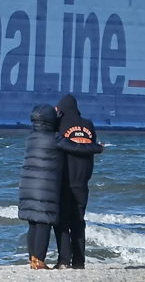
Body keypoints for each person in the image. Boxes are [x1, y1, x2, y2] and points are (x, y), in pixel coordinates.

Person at [18, 103, 104, 269]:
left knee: (33, 222)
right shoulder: (54, 138)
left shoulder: (30, 138)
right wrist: (98, 148)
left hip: (27, 186)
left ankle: (33, 259)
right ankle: (41, 261)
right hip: (45, 187)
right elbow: (76, 147)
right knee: (43, 222)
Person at [55, 93, 102, 269]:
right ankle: (80, 261)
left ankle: (64, 261)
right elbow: (90, 146)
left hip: (64, 180)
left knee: (62, 222)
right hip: (83, 181)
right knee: (79, 221)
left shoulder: (59, 124)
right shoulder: (88, 124)